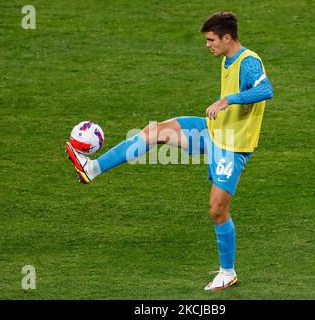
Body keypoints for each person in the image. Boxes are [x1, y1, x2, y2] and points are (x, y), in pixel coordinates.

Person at [66, 11, 273, 290]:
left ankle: (228, 272)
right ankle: (91, 168)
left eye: (212, 40)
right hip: (213, 131)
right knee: (155, 132)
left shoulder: (248, 62)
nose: (208, 45)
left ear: (227, 38)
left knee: (217, 210)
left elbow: (266, 90)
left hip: (232, 147)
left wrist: (228, 100)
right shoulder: (227, 58)